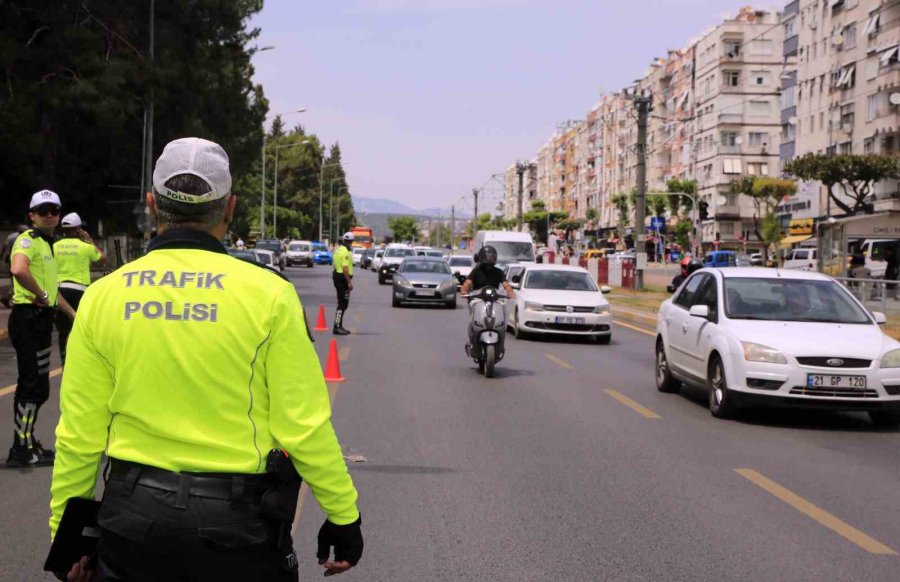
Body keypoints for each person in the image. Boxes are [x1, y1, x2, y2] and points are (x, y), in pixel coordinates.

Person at [49, 138, 363, 581]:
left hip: (131, 523)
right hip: (237, 528)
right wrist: (343, 515)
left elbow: (78, 435)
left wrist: (66, 539)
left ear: (153, 204)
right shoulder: (269, 296)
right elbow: (303, 423)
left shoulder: (104, 297)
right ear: (230, 208)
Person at [7, 191, 76, 467]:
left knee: (39, 387)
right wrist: (40, 294)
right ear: (32, 215)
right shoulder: (28, 240)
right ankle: (21, 449)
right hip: (29, 318)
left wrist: (74, 315)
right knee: (32, 386)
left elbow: (53, 291)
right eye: (43, 210)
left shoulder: (49, 245)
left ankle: (27, 439)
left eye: (54, 210)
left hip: (41, 320)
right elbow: (18, 269)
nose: (49, 215)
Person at [53, 213, 106, 364]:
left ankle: (65, 361)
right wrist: (89, 240)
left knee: (63, 331)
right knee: (81, 328)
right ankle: (80, 361)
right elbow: (103, 259)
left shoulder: (54, 246)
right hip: (80, 291)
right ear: (78, 229)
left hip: (60, 292)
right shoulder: (86, 247)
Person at [1, 224, 29, 308]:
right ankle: (9, 297)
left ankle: (9, 297)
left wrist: (1, 255)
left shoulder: (11, 237)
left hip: (12, 260)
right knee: (23, 281)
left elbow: (4, 247)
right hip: (22, 261)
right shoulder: (27, 239)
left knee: (16, 281)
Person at [332, 232, 354, 335]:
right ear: (351, 242)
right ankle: (337, 327)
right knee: (342, 304)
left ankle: (339, 325)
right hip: (343, 278)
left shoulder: (338, 250)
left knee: (343, 303)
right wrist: (349, 282)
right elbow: (345, 268)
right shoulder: (345, 252)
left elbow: (335, 265)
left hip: (337, 276)